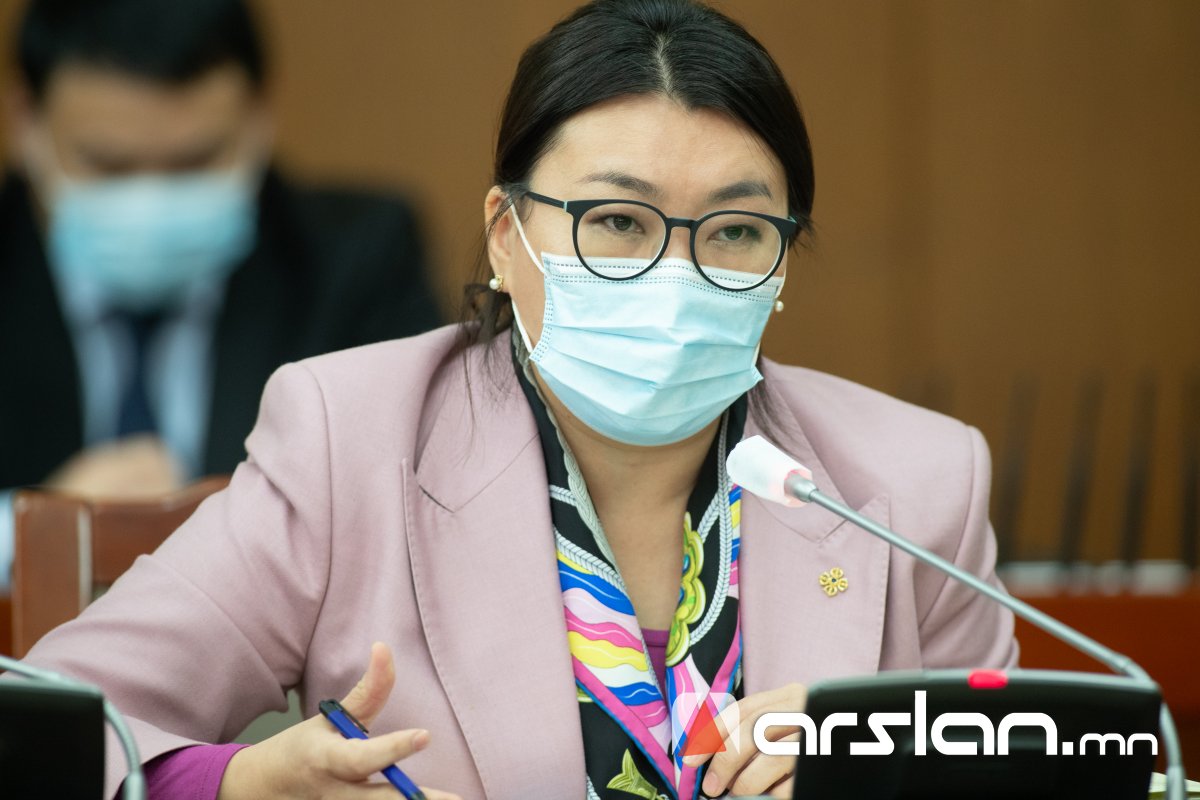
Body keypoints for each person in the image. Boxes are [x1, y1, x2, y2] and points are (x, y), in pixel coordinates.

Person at [19, 1, 1017, 798]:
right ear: (507, 235)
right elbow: (49, 726)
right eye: (617, 221)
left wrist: (888, 772)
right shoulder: (351, 439)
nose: (675, 274)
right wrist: (237, 784)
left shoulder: (914, 481)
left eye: (736, 231)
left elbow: (1028, 771)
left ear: (783, 257)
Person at [0, 0, 441, 589]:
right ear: (25, 123)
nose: (151, 204)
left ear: (260, 120)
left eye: (195, 163)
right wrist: (25, 533)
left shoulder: (354, 263)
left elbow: (422, 507)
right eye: (109, 167)